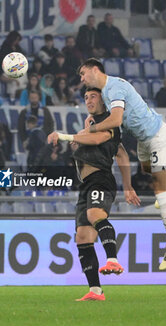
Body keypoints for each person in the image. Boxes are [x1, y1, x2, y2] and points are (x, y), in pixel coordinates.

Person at [75, 58, 166, 271]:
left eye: (83, 73)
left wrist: (92, 129)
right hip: (145, 139)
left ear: (95, 70)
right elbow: (104, 109)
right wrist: (91, 116)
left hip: (158, 137)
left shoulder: (115, 88)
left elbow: (115, 121)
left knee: (160, 192)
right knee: (147, 171)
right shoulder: (107, 89)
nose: (81, 78)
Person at [48, 87, 140, 301]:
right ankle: (96, 290)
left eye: (93, 96)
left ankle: (113, 260)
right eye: (86, 97)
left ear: (104, 100)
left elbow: (100, 140)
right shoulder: (89, 126)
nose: (88, 100)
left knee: (95, 215)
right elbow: (122, 153)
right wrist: (80, 134)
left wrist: (67, 136)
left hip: (101, 178)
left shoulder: (110, 122)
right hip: (86, 184)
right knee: (82, 237)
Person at [0, 30, 27, 98]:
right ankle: (12, 97)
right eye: (17, 40)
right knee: (14, 81)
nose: (18, 42)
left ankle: (22, 93)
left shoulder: (18, 47)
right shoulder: (4, 49)